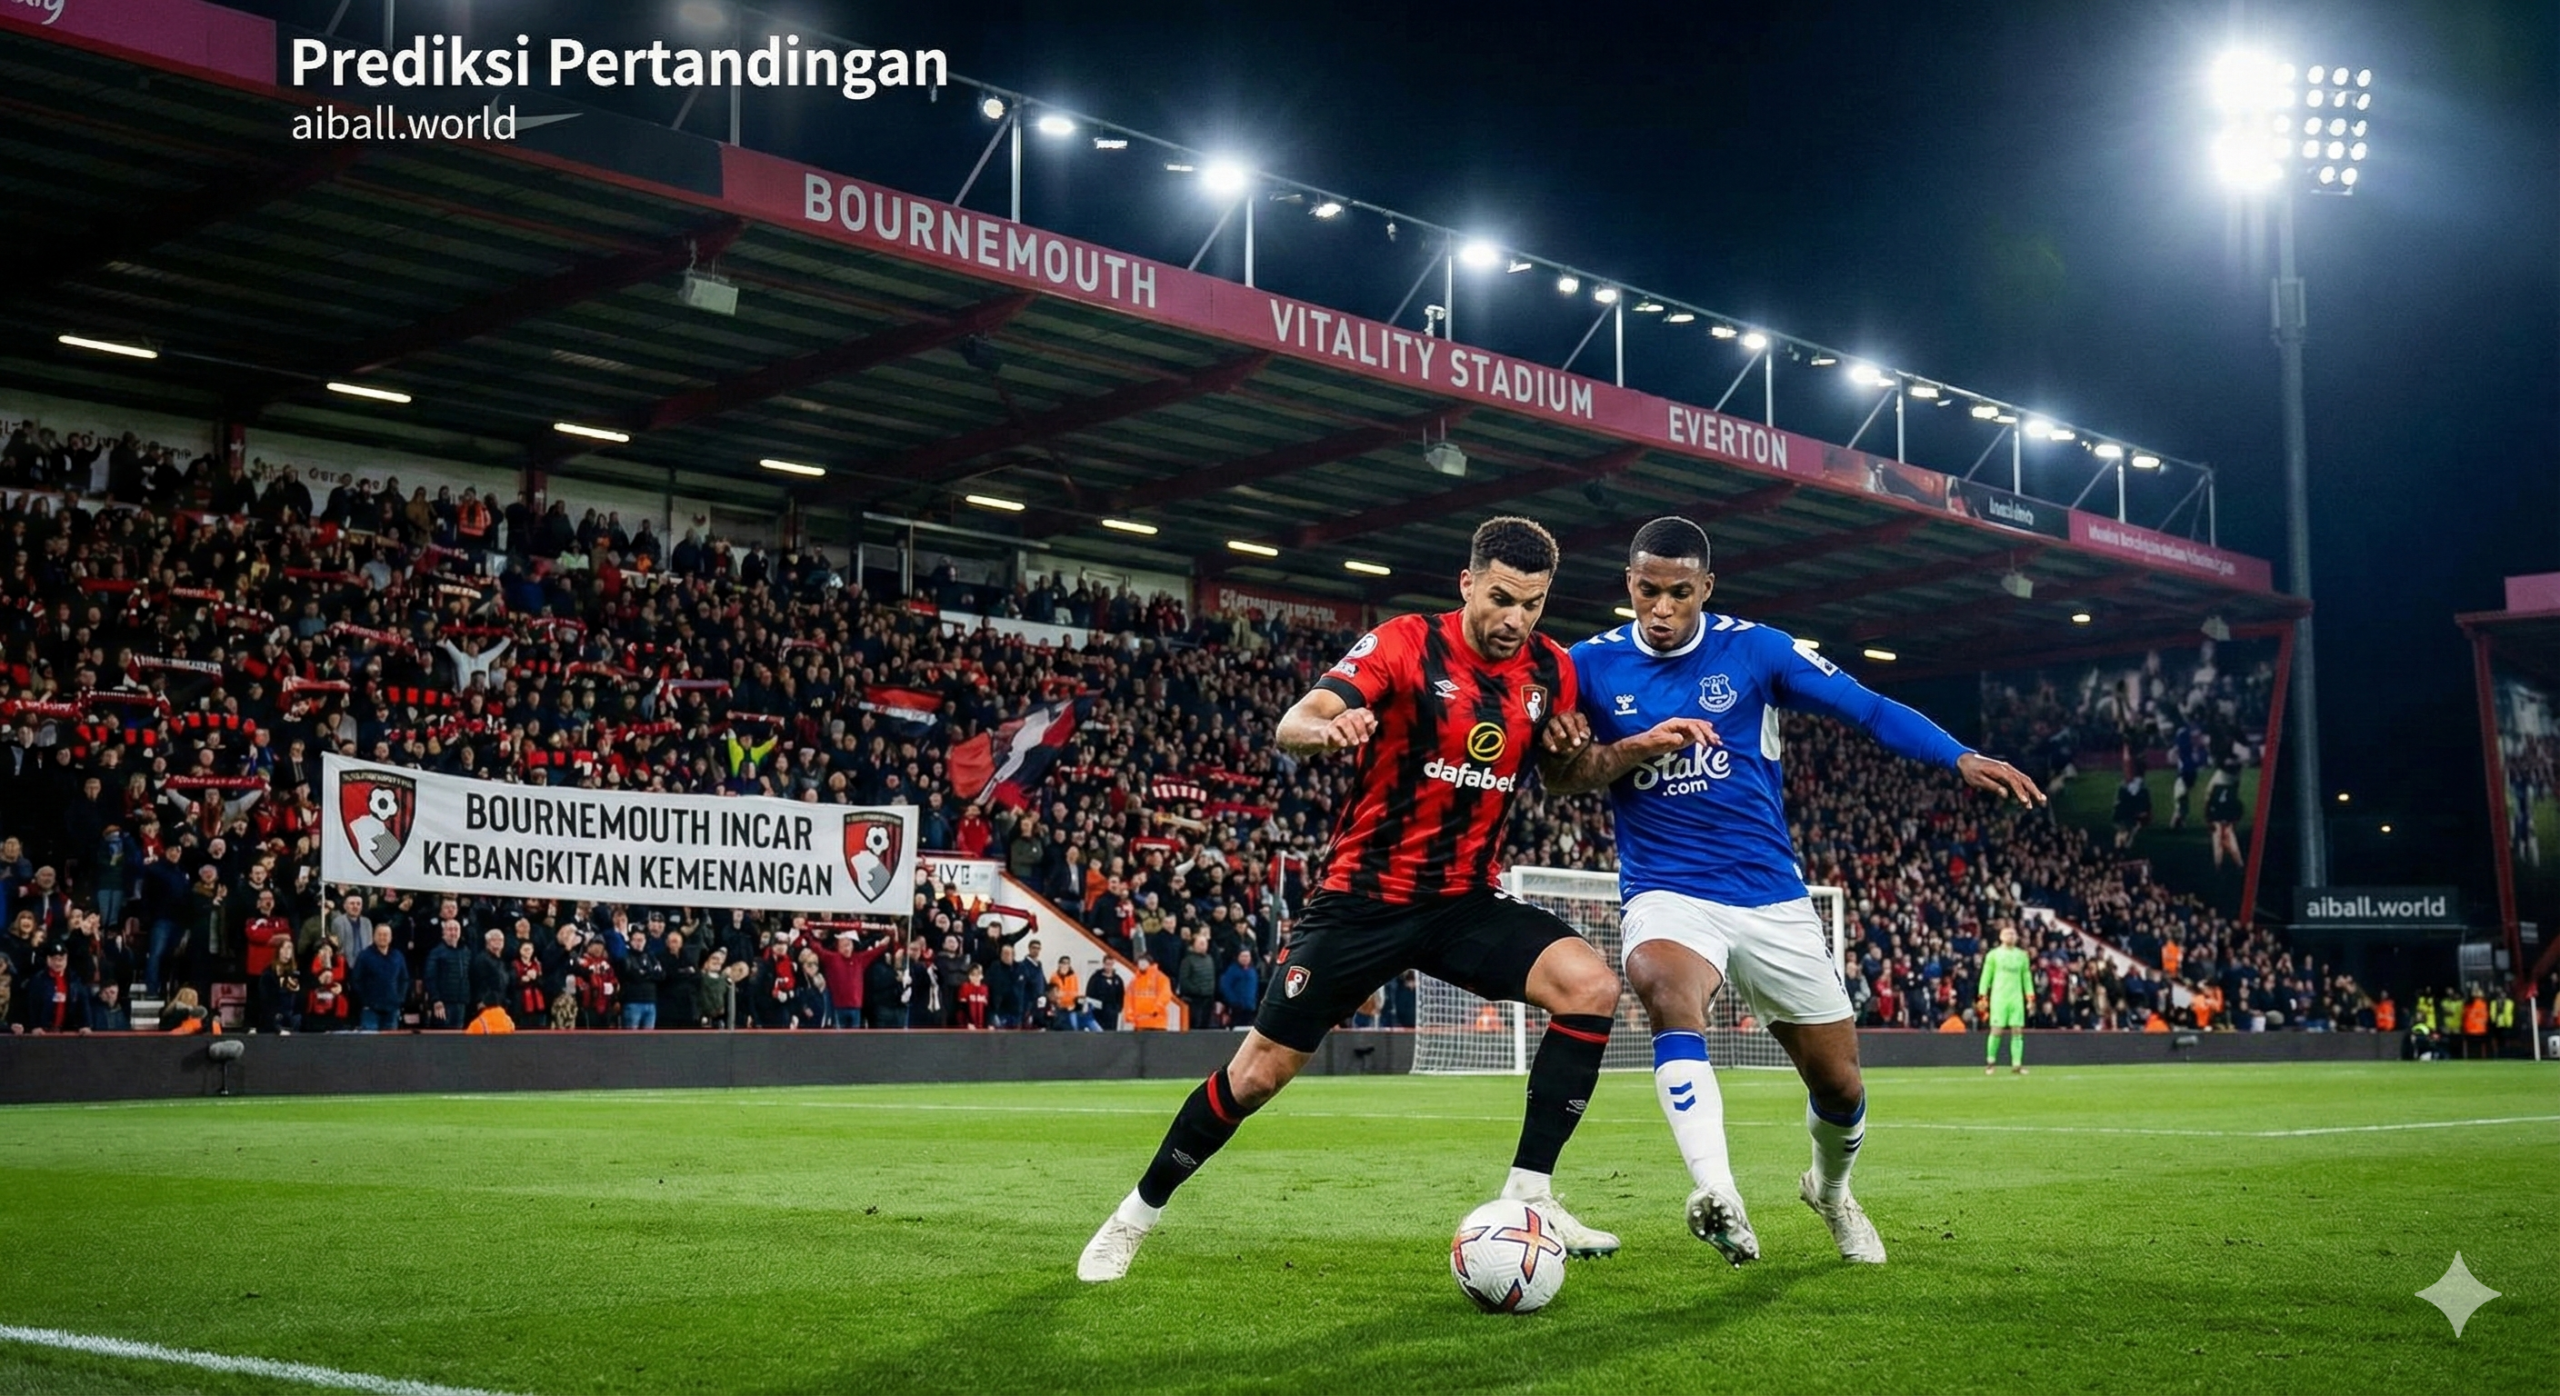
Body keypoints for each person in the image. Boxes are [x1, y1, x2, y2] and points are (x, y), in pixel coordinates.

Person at [1078, 517, 1623, 1282]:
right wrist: (1327, 733)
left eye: (1532, 604)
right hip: (1363, 900)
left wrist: (1576, 754)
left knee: (1591, 984)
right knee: (1259, 1074)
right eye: (1501, 598)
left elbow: (1564, 778)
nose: (1515, 620)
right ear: (1467, 584)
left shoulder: (1552, 671)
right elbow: (1295, 722)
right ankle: (1134, 1215)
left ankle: (1530, 1199)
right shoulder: (1405, 642)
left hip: (1463, 901)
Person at [1541, 516, 2043, 1267]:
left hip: (1770, 893)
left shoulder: (1758, 648)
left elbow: (1868, 709)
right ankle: (1719, 1193)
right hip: (1668, 887)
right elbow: (1559, 779)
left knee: (1838, 1087)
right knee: (1660, 984)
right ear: (1629, 585)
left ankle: (1831, 1191)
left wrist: (1957, 755)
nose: (1663, 608)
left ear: (1706, 588)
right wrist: (1583, 744)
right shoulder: (1587, 665)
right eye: (1649, 590)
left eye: (1681, 592)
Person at [1979, 923, 2032, 1075]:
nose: (2011, 936)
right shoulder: (1993, 955)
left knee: (2017, 1030)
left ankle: (2017, 1064)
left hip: (2016, 998)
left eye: (2013, 934)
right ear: (2001, 937)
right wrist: (1982, 996)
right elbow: (1985, 977)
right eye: (2008, 933)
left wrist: (2030, 998)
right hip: (1999, 998)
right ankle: (1990, 1063)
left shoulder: (2022, 956)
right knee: (1996, 1030)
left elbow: (2026, 978)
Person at [350, 922, 409, 1033]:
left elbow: (404, 979)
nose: (382, 937)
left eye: (386, 934)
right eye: (380, 934)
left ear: (391, 938)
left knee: (389, 1047)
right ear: (374, 936)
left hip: (392, 1009)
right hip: (370, 1010)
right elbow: (356, 980)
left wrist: (399, 999)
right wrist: (365, 1001)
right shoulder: (364, 956)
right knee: (370, 1045)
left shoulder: (398, 956)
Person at [1124, 954, 1171, 1031]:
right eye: (1140, 963)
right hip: (1140, 1023)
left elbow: (1165, 994)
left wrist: (1156, 1008)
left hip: (1157, 1022)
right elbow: (1128, 999)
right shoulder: (1134, 982)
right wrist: (1129, 1014)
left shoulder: (1160, 978)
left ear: (1150, 963)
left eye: (1144, 962)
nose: (1142, 965)